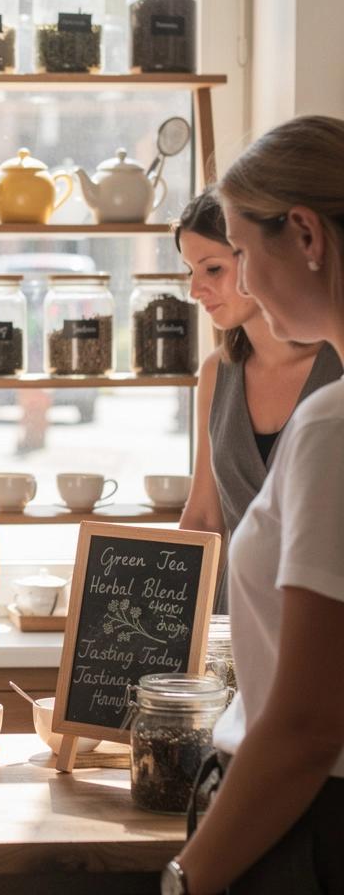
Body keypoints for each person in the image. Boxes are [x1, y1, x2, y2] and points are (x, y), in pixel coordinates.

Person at [165, 115, 344, 894]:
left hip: (305, 817)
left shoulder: (332, 427)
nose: (233, 282)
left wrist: (186, 880)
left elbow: (307, 727)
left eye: (238, 253)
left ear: (305, 235)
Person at [175, 189, 340, 612]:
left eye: (213, 268)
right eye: (190, 271)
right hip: (236, 622)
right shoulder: (216, 372)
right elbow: (204, 519)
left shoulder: (337, 363)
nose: (196, 289)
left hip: (324, 610)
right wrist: (169, 630)